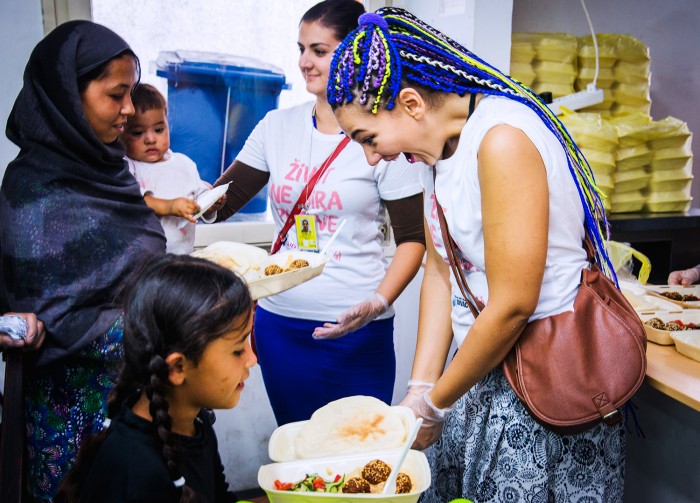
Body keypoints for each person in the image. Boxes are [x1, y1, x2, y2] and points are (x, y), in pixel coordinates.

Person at [327, 8, 625, 502]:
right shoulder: (437, 152)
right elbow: (442, 269)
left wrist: (437, 403)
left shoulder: (501, 139)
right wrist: (420, 389)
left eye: (369, 139)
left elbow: (512, 305)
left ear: (411, 103)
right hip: (479, 372)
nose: (372, 157)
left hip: (543, 387)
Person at [213, 0, 426, 425]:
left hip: (358, 332)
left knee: (361, 461)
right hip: (280, 327)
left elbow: (414, 240)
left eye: (318, 50)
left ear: (350, 55)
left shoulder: (380, 131)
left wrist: (377, 302)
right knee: (299, 454)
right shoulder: (277, 127)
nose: (304, 62)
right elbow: (219, 207)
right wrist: (169, 193)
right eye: (301, 48)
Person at [0, 20, 166, 501]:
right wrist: (177, 318)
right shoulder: (33, 192)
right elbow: (53, 320)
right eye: (117, 95)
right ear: (68, 97)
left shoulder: (109, 169)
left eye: (132, 93)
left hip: (138, 402)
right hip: (73, 422)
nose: (130, 110)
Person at [54, 254, 255, 503]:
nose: (252, 359)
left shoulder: (196, 421)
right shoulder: (135, 476)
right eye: (238, 349)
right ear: (178, 367)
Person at [122, 84, 223, 254]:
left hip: (183, 255)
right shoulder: (129, 166)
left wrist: (210, 202)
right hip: (142, 260)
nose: (150, 139)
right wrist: (170, 206)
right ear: (121, 132)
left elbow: (197, 198)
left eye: (159, 129)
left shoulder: (184, 164)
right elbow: (136, 201)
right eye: (138, 133)